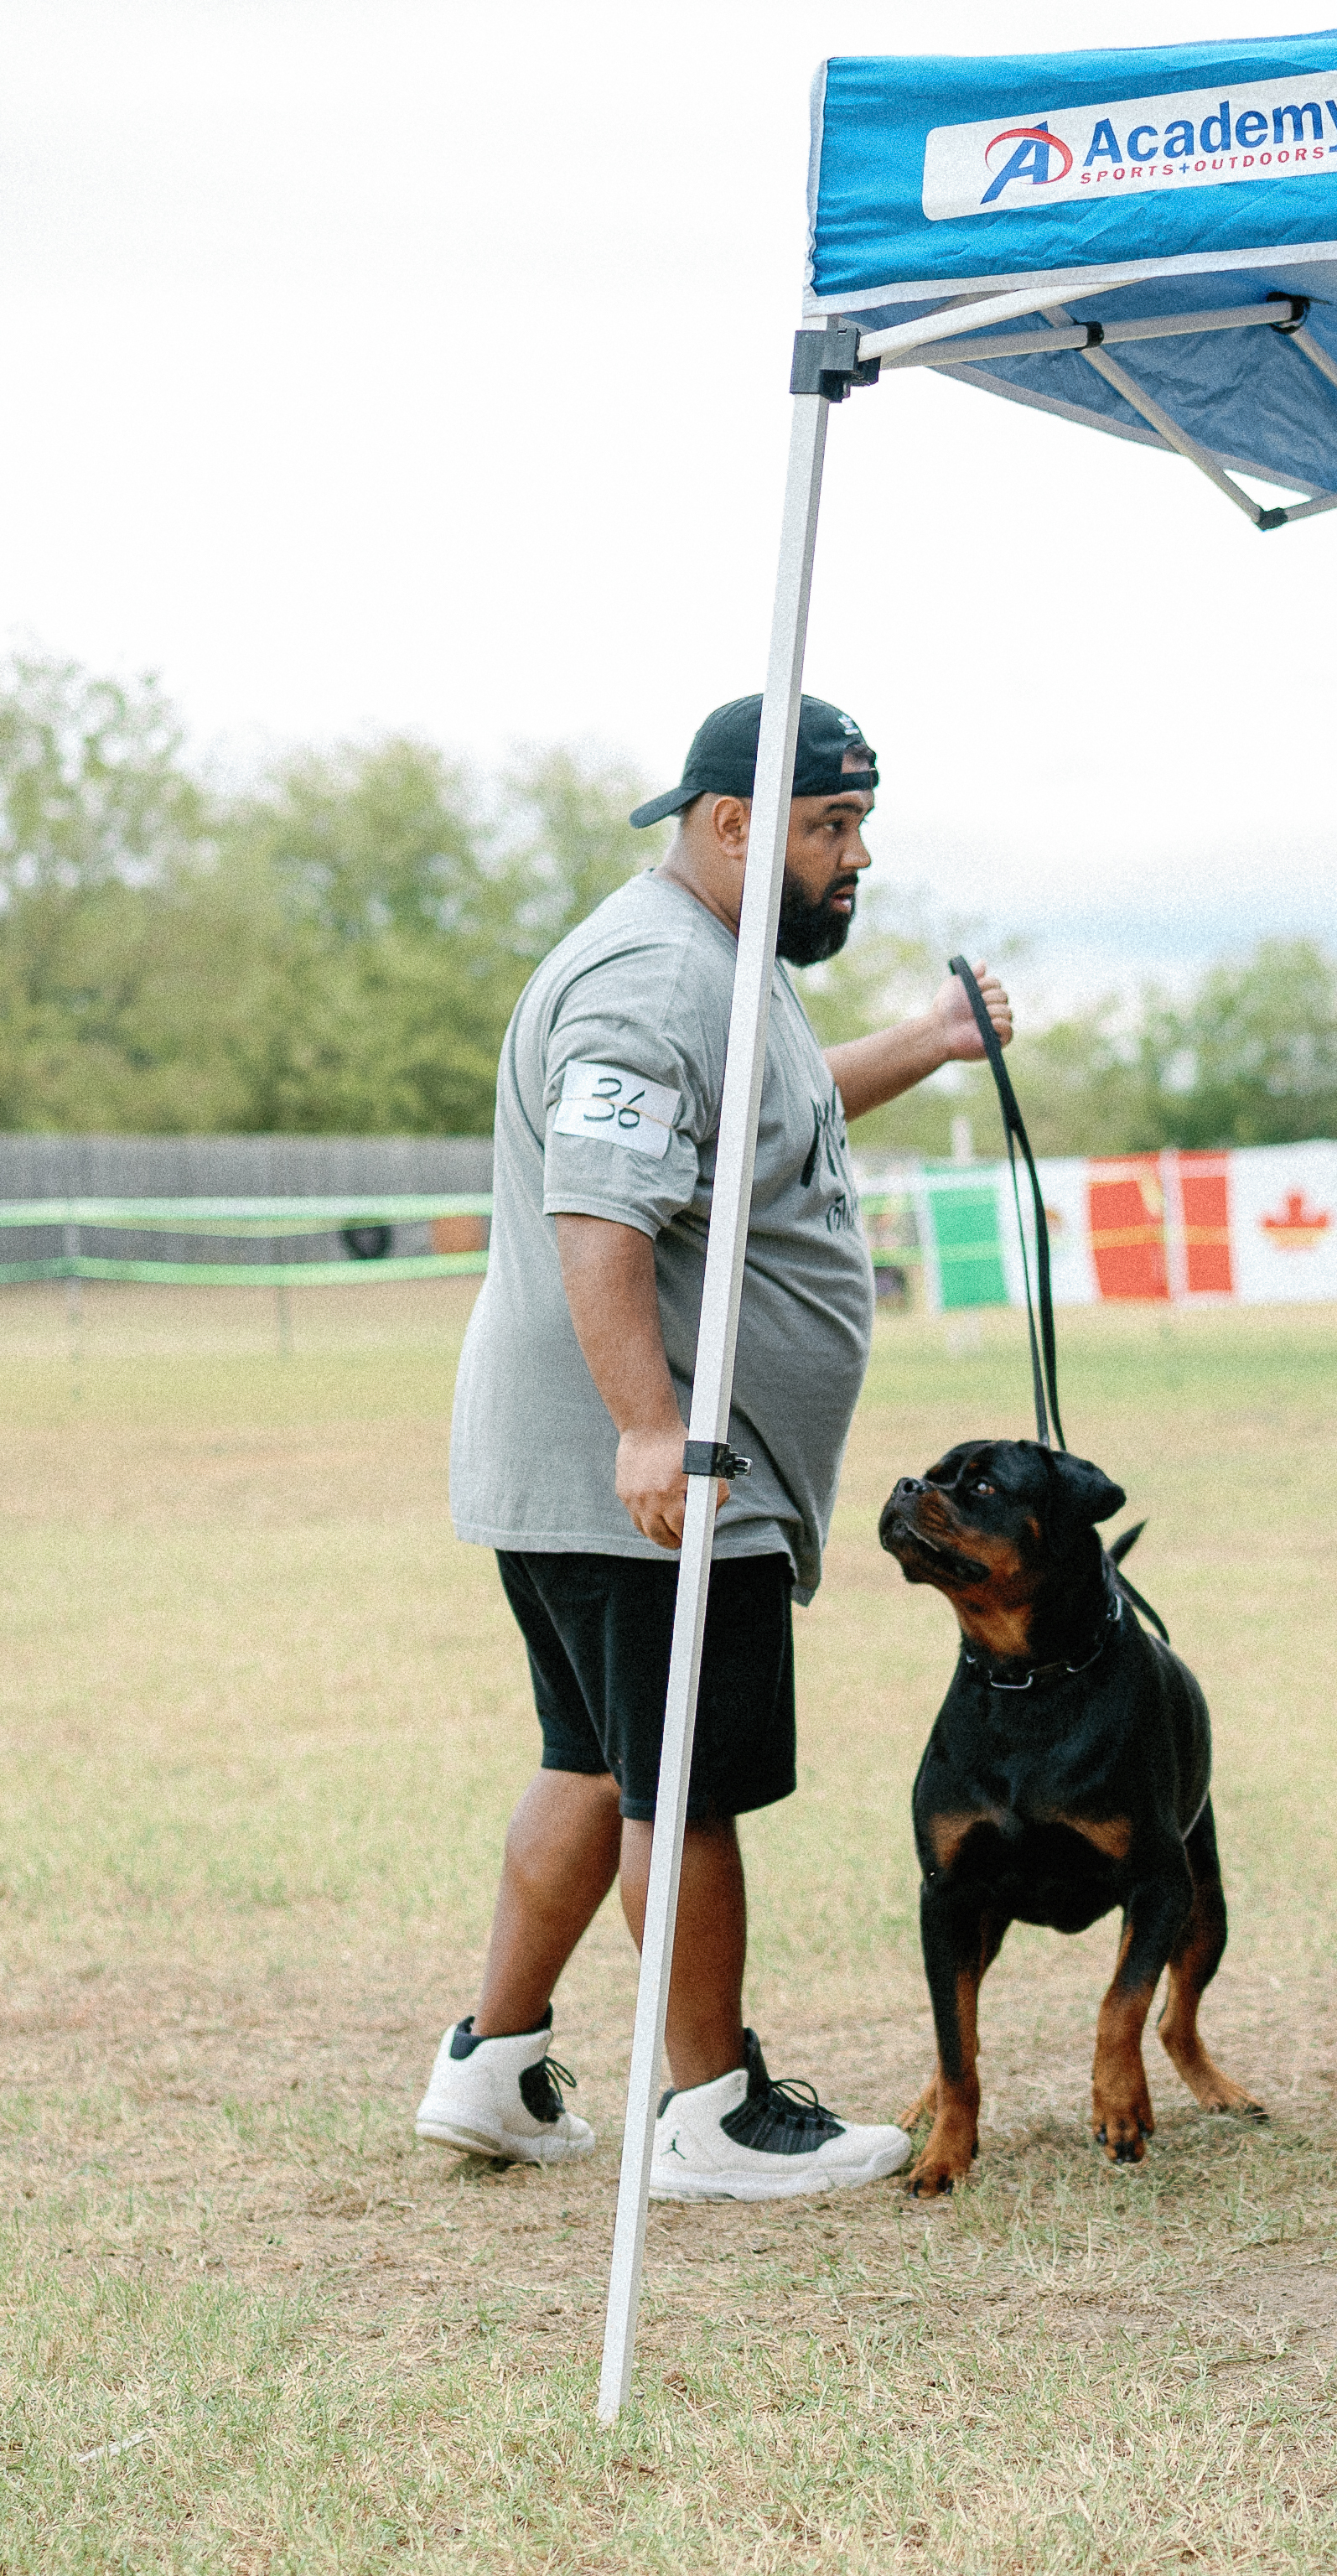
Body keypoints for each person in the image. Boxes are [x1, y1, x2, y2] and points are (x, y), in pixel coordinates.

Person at [414, 693, 1012, 2201]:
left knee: (594, 1762)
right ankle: (714, 2115)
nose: (856, 856)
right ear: (734, 824)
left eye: (861, 823)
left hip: (613, 1472)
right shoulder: (654, 979)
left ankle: (491, 2067)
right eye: (830, 826)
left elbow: (770, 1119)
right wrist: (648, 1429)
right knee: (682, 1791)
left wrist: (930, 1044)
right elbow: (598, 1209)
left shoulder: (721, 967)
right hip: (658, 1477)